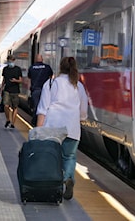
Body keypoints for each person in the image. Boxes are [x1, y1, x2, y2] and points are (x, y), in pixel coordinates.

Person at [36, 56, 88, 200]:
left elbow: (43, 108)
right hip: (72, 127)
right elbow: (83, 109)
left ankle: (57, 187)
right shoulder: (78, 85)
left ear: (60, 67)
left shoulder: (52, 83)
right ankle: (68, 178)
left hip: (53, 126)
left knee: (53, 158)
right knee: (69, 157)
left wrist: (38, 130)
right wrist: (81, 119)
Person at [27, 54, 53, 126]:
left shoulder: (31, 68)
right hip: (46, 91)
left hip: (35, 90)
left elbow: (29, 80)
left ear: (35, 59)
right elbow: (51, 78)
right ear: (42, 59)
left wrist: (29, 91)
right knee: (45, 107)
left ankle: (35, 122)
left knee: (36, 107)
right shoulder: (47, 67)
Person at [1, 54, 23, 128]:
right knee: (6, 105)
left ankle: (13, 123)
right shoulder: (5, 69)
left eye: (11, 61)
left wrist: (15, 80)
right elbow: (4, 80)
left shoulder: (18, 69)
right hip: (7, 89)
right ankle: (8, 119)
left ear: (14, 61)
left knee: (15, 107)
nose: (10, 62)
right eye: (9, 61)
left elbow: (21, 80)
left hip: (15, 90)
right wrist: (1, 89)